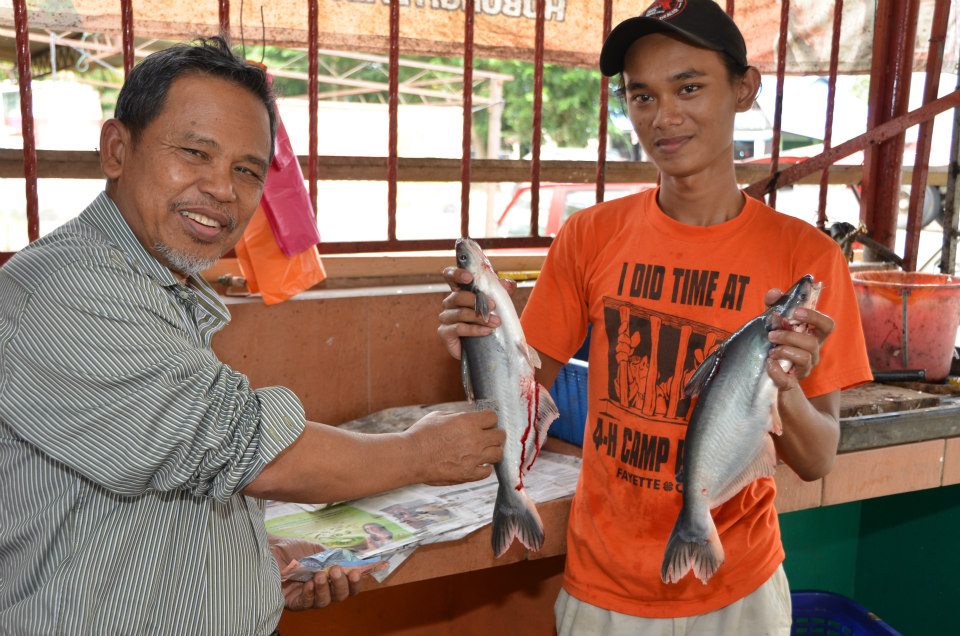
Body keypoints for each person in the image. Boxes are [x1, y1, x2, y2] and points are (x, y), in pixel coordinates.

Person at [0, 37, 505, 635]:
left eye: (247, 169)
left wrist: (248, 570)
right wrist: (421, 453)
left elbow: (168, 469)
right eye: (194, 152)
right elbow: (246, 450)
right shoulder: (68, 290)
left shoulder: (159, 285)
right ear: (117, 149)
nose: (223, 189)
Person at [438, 0, 872, 633]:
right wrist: (481, 341)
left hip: (738, 583)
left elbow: (818, 457)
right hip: (606, 583)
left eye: (689, 87)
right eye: (641, 97)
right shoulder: (588, 236)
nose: (664, 117)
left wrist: (784, 388)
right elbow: (521, 397)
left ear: (744, 89)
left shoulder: (808, 257)